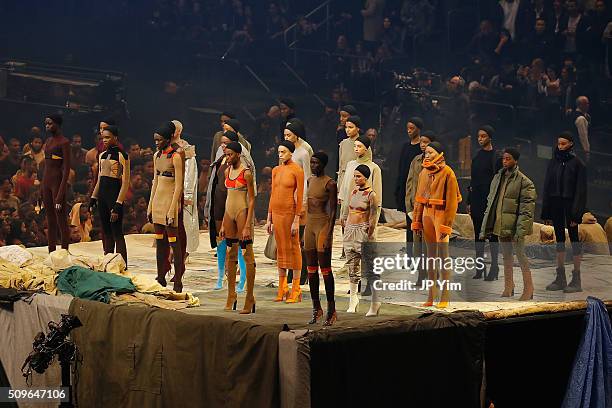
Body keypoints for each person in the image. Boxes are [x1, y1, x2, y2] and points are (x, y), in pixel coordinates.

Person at [480, 148, 536, 301]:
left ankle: (529, 288)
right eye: (504, 159)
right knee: (506, 256)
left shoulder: (524, 182)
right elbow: (491, 201)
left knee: (521, 256)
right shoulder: (498, 177)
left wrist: (521, 230)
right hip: (501, 224)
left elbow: (527, 210)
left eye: (508, 159)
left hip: (515, 227)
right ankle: (509, 286)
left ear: (515, 160)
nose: (505, 161)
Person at [411, 142, 461, 308]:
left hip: (440, 215)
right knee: (430, 257)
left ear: (439, 154)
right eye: (425, 152)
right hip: (426, 214)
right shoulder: (424, 172)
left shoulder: (448, 173)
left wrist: (446, 225)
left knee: (443, 256)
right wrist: (416, 221)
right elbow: (418, 199)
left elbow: (452, 203)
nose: (426, 155)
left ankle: (445, 296)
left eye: (430, 152)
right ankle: (432, 296)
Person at [204, 130, 249, 292]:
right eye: (221, 143)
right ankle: (220, 276)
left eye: (226, 143)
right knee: (221, 240)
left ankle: (242, 278)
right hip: (219, 204)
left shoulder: (244, 164)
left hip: (236, 205)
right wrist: (208, 207)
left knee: (238, 242)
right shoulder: (220, 160)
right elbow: (213, 184)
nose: (222, 146)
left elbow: (251, 191)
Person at [541, 132, 587, 293]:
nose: (560, 146)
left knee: (574, 238)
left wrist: (576, 214)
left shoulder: (577, 163)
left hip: (570, 203)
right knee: (559, 238)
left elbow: (581, 191)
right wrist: (546, 212)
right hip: (555, 203)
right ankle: (560, 277)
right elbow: (547, 186)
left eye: (564, 143)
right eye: (559, 143)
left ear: (571, 144)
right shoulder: (553, 161)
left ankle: (576, 279)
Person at [147, 123, 185, 292]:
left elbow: (179, 185)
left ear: (168, 139)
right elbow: (155, 182)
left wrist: (173, 207)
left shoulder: (175, 156)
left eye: (159, 140)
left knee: (174, 244)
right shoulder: (157, 155)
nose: (156, 143)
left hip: (169, 200)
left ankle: (178, 278)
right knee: (159, 242)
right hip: (158, 201)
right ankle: (160, 275)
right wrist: (150, 206)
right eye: (155, 140)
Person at [220, 141, 257, 314]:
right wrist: (222, 223)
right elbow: (227, 196)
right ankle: (231, 294)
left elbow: (251, 198)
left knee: (246, 254)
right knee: (230, 253)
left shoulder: (246, 173)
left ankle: (249, 297)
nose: (227, 158)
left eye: (230, 155)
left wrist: (248, 225)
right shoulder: (227, 171)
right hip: (229, 213)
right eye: (226, 155)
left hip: (242, 212)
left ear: (238, 154)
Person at [266, 140, 304, 303]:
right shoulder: (276, 170)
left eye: (283, 152)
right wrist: (269, 218)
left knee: (293, 247)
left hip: (290, 213)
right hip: (277, 213)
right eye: (279, 152)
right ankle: (283, 287)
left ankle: (296, 288)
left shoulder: (297, 170)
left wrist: (297, 219)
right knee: (280, 248)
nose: (280, 155)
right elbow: (273, 194)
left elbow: (300, 196)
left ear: (291, 153)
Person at [342, 164, 380, 316]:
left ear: (366, 177)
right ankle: (353, 299)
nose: (356, 179)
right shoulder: (353, 192)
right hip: (351, 231)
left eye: (359, 176)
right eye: (355, 176)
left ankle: (375, 302)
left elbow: (374, 215)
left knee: (370, 268)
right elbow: (348, 211)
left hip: (363, 232)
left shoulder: (371, 195)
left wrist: (369, 233)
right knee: (352, 266)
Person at [305, 152, 338, 325]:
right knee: (311, 269)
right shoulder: (309, 180)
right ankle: (316, 308)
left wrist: (330, 233)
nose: (313, 165)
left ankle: (331, 310)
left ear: (323, 164)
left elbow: (333, 211)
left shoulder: (330, 183)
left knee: (325, 269)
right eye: (312, 162)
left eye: (316, 163)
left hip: (323, 226)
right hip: (309, 226)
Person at [89, 125, 130, 265]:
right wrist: (93, 197)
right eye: (103, 138)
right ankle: (108, 263)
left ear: (115, 137)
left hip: (114, 196)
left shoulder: (122, 155)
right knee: (106, 232)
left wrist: (119, 204)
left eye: (107, 137)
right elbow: (100, 179)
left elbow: (125, 182)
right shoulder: (102, 155)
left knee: (117, 232)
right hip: (102, 197)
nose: (104, 140)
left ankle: (123, 265)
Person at [467, 125, 502, 281]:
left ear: (490, 137)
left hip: (490, 200)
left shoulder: (496, 157)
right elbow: (473, 179)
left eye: (483, 136)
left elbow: (499, 180)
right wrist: (469, 200)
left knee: (492, 235)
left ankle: (494, 267)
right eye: (479, 136)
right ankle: (480, 267)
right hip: (476, 198)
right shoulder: (476, 155)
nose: (480, 139)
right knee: (477, 235)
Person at [404, 130, 435, 285]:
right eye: (422, 142)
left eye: (427, 143)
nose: (423, 145)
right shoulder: (416, 160)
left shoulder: (438, 164)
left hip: (431, 208)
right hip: (417, 207)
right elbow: (410, 183)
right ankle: (420, 274)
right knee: (418, 243)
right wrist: (409, 204)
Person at [42, 114, 71, 253]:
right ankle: (51, 252)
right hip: (46, 183)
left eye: (50, 123)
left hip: (57, 182)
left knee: (61, 220)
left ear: (57, 124)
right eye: (46, 123)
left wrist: (60, 194)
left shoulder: (64, 142)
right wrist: (41, 187)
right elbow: (46, 166)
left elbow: (66, 169)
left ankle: (64, 251)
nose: (47, 126)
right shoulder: (48, 141)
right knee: (50, 220)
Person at [171, 120, 199, 258]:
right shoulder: (165, 147)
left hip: (182, 190)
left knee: (184, 220)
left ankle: (183, 250)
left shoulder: (186, 149)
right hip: (168, 189)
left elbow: (190, 173)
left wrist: (187, 194)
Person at [396, 117, 424, 256]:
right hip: (407, 188)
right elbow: (401, 168)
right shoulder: (405, 146)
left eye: (412, 128)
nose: (409, 131)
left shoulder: (422, 149)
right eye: (407, 128)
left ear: (418, 129)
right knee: (409, 222)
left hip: (419, 190)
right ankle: (409, 255)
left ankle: (419, 255)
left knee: (418, 225)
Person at [337, 115, 372, 197]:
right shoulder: (343, 143)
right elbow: (340, 166)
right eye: (346, 127)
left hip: (357, 182)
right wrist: (339, 187)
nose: (347, 130)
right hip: (344, 181)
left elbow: (368, 168)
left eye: (351, 127)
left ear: (358, 128)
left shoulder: (364, 145)